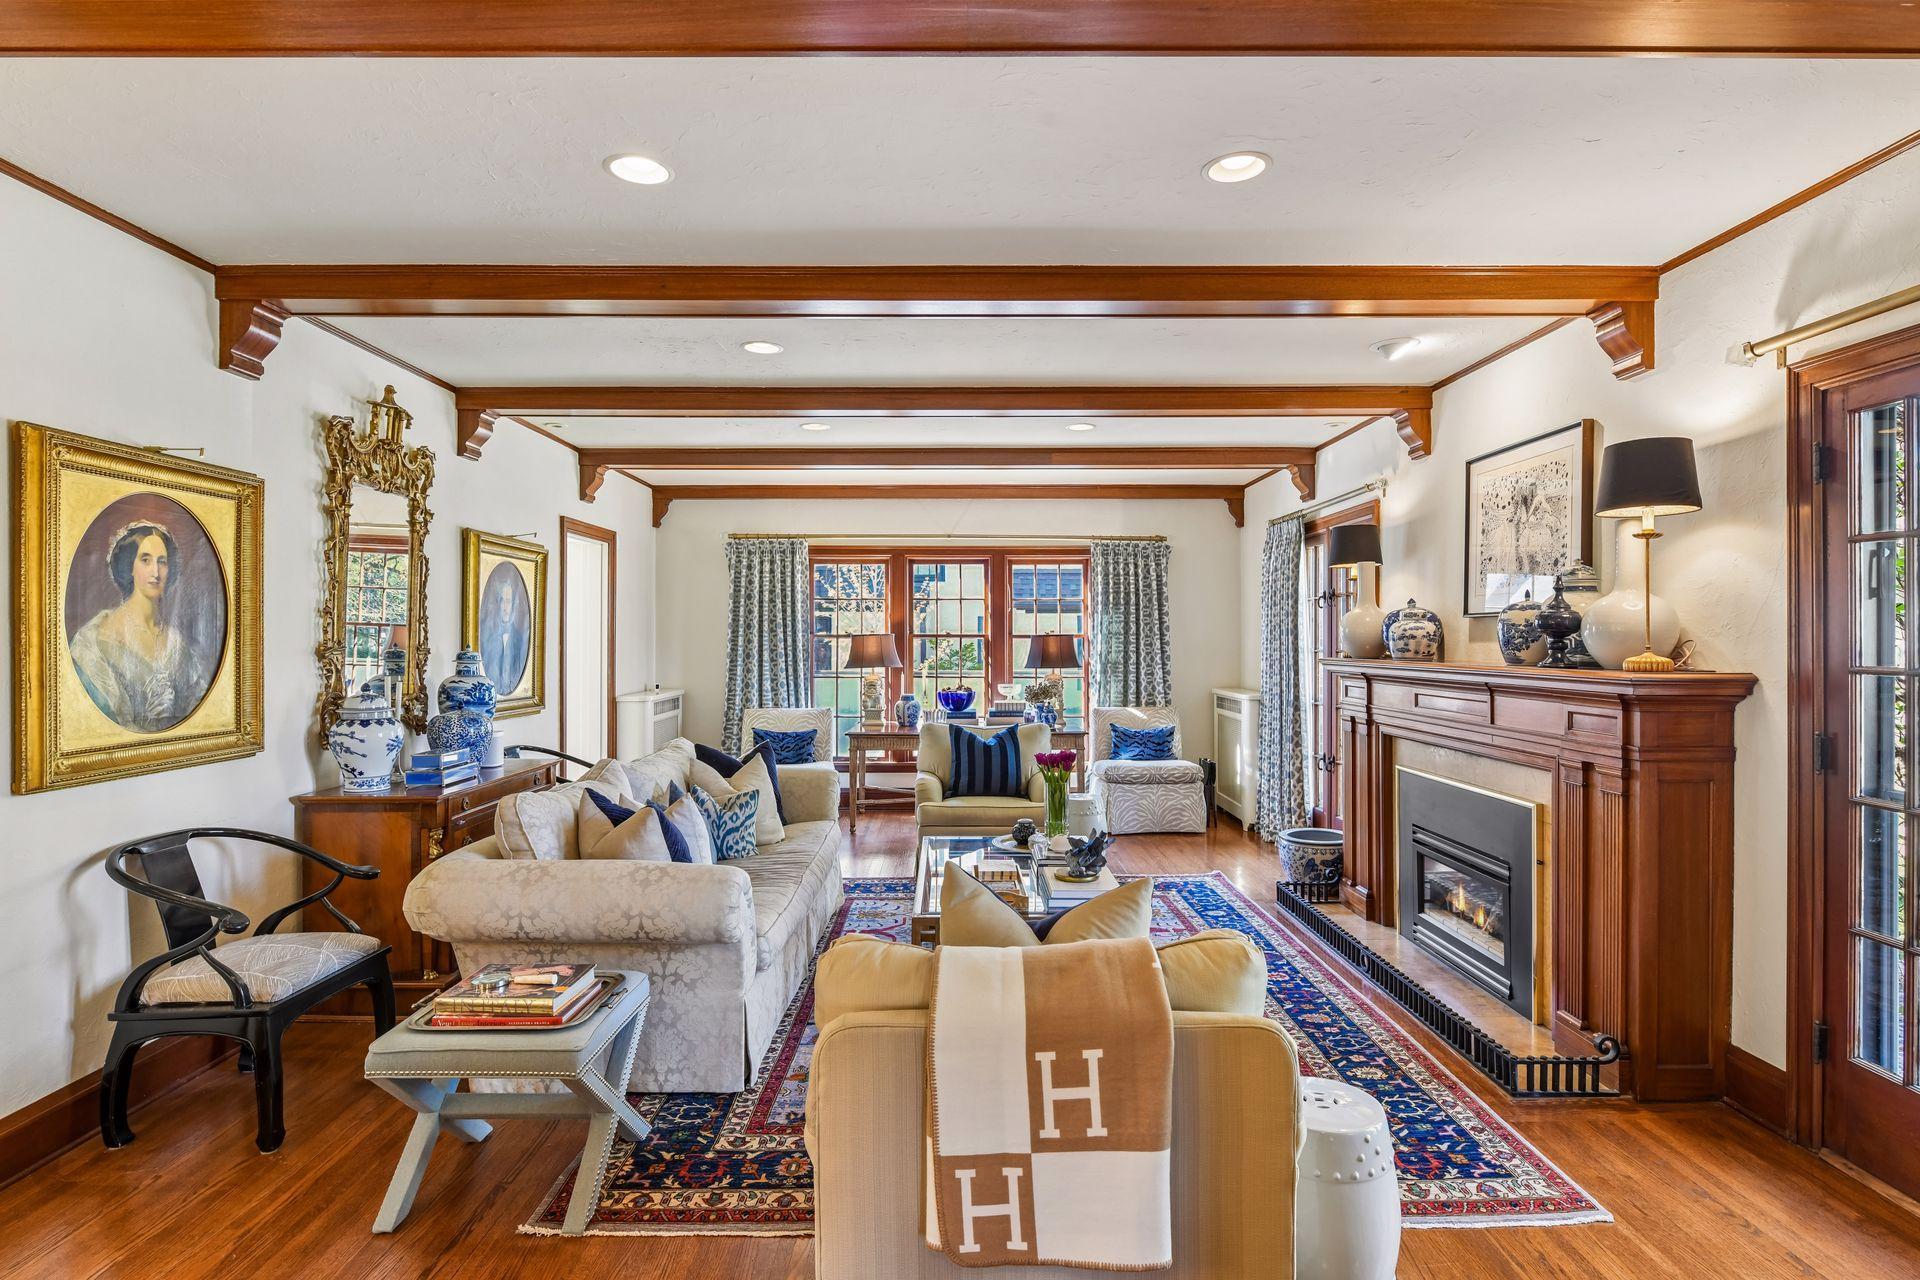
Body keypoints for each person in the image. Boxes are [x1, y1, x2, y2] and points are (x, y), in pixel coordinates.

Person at [69, 521, 214, 732]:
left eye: (162, 562)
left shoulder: (177, 643)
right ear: (130, 567)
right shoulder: (96, 639)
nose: (155, 572)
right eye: (145, 560)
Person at [479, 567, 529, 693]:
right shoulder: (486, 639)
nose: (504, 607)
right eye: (501, 601)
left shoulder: (520, 640)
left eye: (508, 601)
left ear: (513, 605)